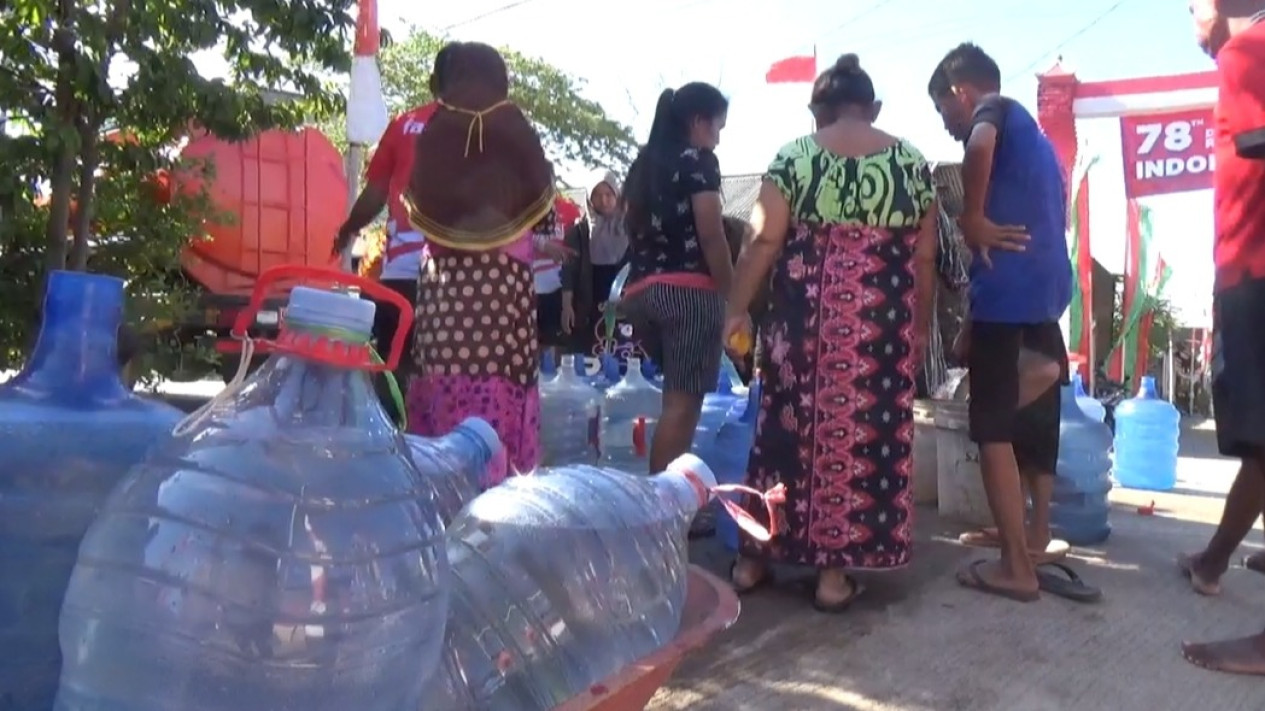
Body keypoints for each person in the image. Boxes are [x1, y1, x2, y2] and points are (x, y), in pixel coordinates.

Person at [723, 54, 938, 612]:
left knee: (780, 436)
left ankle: (752, 561)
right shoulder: (912, 164)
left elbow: (763, 241)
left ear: (818, 110)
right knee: (857, 437)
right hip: (877, 329)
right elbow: (924, 259)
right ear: (873, 108)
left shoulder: (795, 157)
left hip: (804, 323)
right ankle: (833, 578)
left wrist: (736, 310)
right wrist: (915, 333)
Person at [926, 43, 1095, 603]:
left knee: (991, 427)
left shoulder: (993, 110)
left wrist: (970, 216)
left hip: (1012, 289)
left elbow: (977, 140)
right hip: (1042, 286)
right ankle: (1027, 532)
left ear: (960, 92)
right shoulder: (1037, 143)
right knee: (1022, 411)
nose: (947, 124)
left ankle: (1016, 568)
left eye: (942, 110)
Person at [401, 41, 564, 481]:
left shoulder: (436, 132)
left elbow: (417, 202)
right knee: (499, 382)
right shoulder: (515, 130)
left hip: (445, 287)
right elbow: (542, 203)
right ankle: (497, 491)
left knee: (442, 376)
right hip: (503, 284)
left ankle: (440, 490)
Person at [1179, 0, 1265, 675]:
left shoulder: (1245, 51)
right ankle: (1211, 557)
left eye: (1190, 6)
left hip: (1256, 270)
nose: (1190, 21)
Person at [620, 82, 734, 473]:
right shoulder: (698, 161)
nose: (717, 139)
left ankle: (659, 494)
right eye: (717, 127)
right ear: (699, 121)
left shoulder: (644, 163)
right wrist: (735, 298)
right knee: (682, 406)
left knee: (668, 402)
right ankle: (662, 504)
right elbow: (711, 234)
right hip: (688, 294)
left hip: (639, 294)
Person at [334, 46, 452, 422]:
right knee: (447, 365)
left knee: (396, 359)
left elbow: (375, 192)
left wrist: (349, 229)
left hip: (403, 271)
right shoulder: (483, 132)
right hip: (459, 276)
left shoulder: (404, 124)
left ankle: (395, 435)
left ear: (433, 83)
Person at [561, 170, 633, 360]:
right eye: (598, 195)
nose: (604, 200)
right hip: (589, 307)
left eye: (609, 195)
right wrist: (567, 305)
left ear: (617, 195)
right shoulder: (579, 232)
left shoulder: (632, 228)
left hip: (627, 306)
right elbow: (569, 270)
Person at [534, 190, 576, 362]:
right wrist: (543, 245)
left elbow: (571, 258)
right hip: (526, 287)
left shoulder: (567, 210)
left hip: (556, 288)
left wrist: (567, 302)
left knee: (556, 349)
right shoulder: (522, 210)